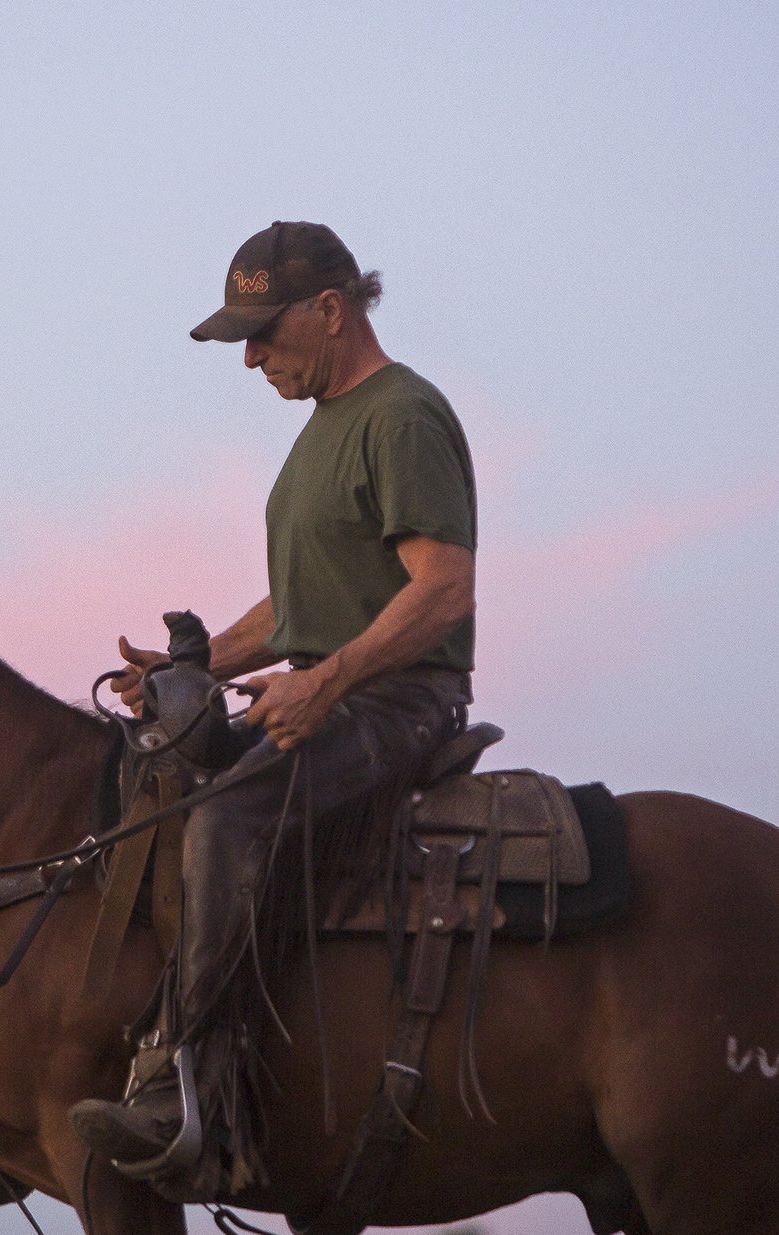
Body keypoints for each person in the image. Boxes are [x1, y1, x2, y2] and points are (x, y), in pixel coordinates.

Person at [69, 221, 478, 1190]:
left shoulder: (401, 415)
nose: (249, 356)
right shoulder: (322, 432)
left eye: (263, 331)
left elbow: (444, 585)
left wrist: (327, 678)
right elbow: (303, 607)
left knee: (225, 813)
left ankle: (188, 1094)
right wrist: (197, 664)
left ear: (330, 310)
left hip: (399, 706)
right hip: (336, 695)